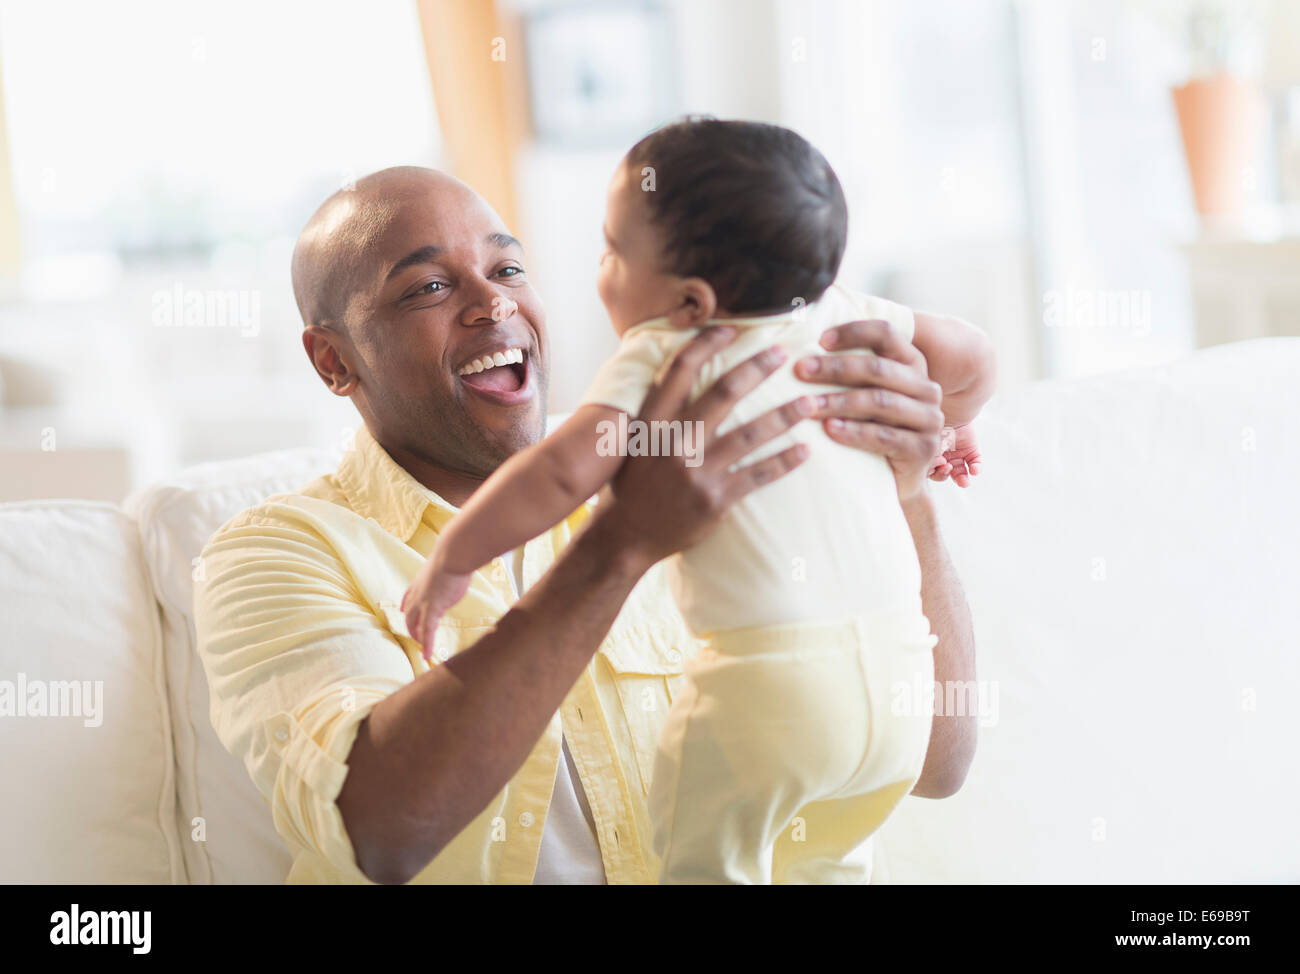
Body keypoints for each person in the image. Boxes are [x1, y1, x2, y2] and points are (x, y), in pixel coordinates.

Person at [193, 163, 983, 885]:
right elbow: (385, 831)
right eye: (429, 288)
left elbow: (939, 763)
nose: (494, 302)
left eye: (507, 269)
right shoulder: (271, 555)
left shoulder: (701, 442)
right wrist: (624, 542)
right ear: (334, 361)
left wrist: (908, 491)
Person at [400, 120, 994, 883]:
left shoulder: (666, 355)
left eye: (612, 251)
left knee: (701, 856)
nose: (597, 272)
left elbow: (556, 476)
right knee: (828, 859)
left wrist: (454, 556)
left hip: (770, 686)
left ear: (690, 300)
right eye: (429, 286)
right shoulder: (842, 315)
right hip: (893, 677)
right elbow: (972, 354)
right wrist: (953, 415)